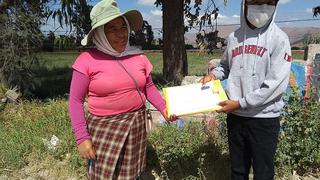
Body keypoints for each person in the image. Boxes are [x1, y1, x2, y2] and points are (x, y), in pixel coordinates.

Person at [68, 0, 176, 179]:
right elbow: (75, 101)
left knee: (131, 173)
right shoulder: (86, 60)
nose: (121, 34)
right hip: (104, 129)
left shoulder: (138, 56)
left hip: (136, 125)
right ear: (100, 34)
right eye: (112, 29)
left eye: (123, 27)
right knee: (102, 174)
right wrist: (82, 138)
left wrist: (164, 108)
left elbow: (148, 87)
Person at [201, 0, 292, 179]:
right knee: (238, 171)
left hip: (264, 119)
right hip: (236, 118)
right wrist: (214, 75)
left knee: (264, 173)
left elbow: (274, 85)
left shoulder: (279, 39)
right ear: (245, 4)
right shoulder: (234, 37)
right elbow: (226, 66)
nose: (262, 7)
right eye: (256, 1)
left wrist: (240, 103)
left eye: (268, 2)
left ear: (275, 4)